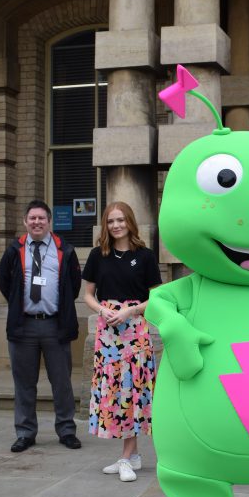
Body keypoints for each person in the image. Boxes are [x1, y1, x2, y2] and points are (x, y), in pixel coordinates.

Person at [81, 202, 162, 481]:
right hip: (108, 333)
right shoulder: (97, 255)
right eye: (111, 221)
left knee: (132, 390)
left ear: (130, 222)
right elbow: (88, 294)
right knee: (114, 392)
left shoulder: (146, 256)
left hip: (136, 330)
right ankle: (134, 456)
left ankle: (126, 458)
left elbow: (157, 298)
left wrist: (131, 310)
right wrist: (102, 309)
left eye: (120, 220)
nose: (116, 226)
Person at [0, 200, 83, 452]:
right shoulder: (14, 250)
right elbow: (5, 283)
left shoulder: (64, 249)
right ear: (25, 222)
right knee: (24, 383)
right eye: (32, 218)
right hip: (23, 327)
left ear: (49, 222)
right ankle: (25, 432)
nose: (37, 222)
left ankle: (66, 430)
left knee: (62, 383)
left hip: (55, 326)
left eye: (41, 218)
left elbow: (74, 285)